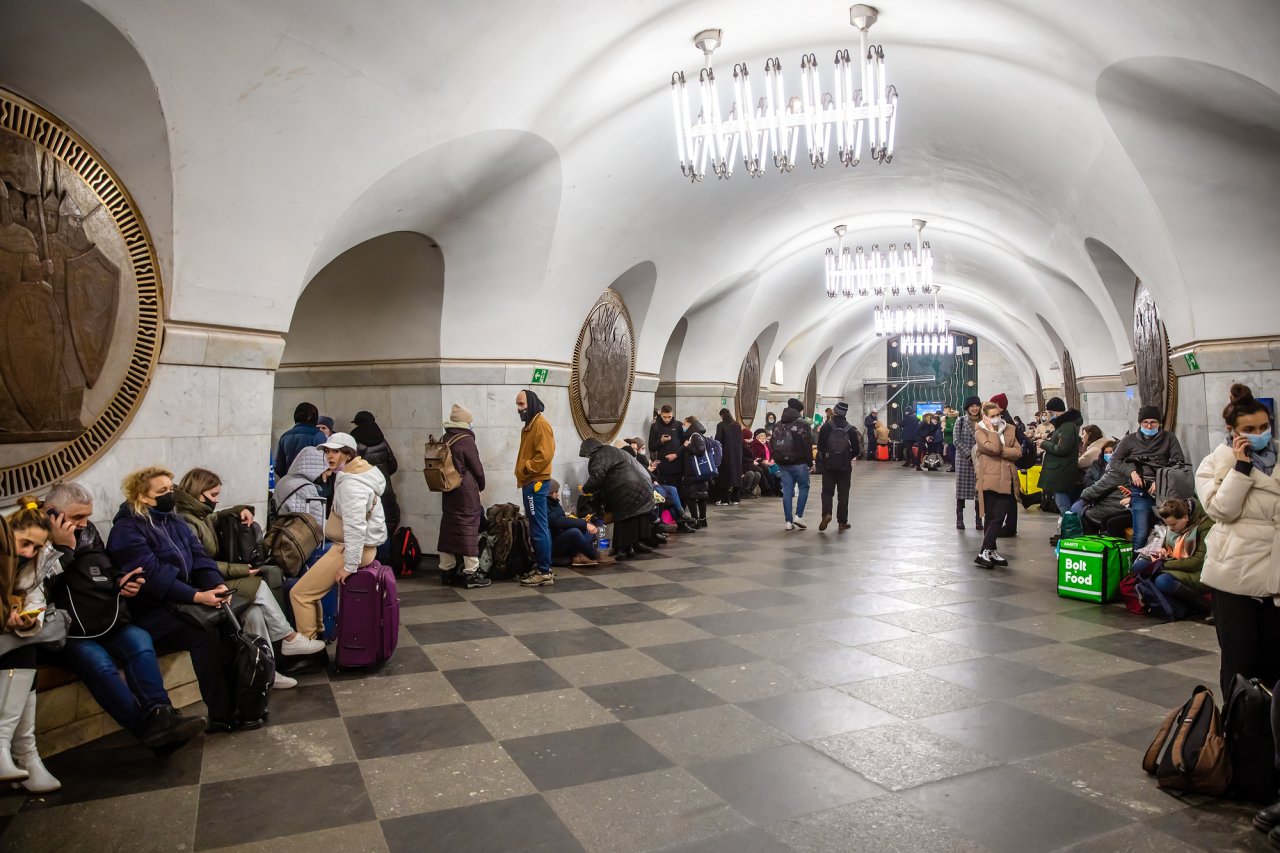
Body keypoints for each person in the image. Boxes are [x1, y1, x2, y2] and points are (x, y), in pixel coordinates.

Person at [42, 483, 208, 754]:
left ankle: (161, 714)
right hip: (65, 629)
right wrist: (64, 549)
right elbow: (38, 585)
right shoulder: (32, 536)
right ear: (51, 512)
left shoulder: (88, 531)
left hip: (101, 615)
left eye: (87, 516)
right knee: (99, 663)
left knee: (139, 640)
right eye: (77, 518)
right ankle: (146, 728)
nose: (84, 524)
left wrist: (120, 581)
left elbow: (102, 568)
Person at [106, 467, 244, 732]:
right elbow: (153, 575)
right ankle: (221, 714)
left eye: (171, 489)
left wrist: (216, 585)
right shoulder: (127, 529)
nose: (171, 494)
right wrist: (197, 595)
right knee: (203, 635)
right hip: (151, 610)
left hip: (182, 602)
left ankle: (242, 703)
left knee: (229, 625)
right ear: (143, 497)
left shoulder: (174, 520)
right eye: (162, 491)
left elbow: (200, 557)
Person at [173, 470, 313, 685]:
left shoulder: (198, 513)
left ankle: (267, 672)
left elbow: (217, 516)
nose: (217, 500)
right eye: (213, 494)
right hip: (202, 584)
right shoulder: (186, 521)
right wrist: (240, 570)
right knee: (257, 585)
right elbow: (198, 564)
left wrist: (242, 510)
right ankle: (288, 637)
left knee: (254, 612)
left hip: (213, 577)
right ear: (199, 492)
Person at [1195, 384, 1280, 698]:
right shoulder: (1215, 463)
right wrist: (1241, 468)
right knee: (1241, 663)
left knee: (1275, 663)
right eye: (1250, 429)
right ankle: (1238, 733)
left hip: (1275, 575)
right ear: (1232, 431)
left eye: (1264, 427)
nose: (1259, 434)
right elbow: (1220, 510)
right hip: (1234, 575)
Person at [288, 433, 388, 636]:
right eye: (327, 451)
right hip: (350, 548)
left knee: (300, 594)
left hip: (352, 551)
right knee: (307, 593)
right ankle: (316, 640)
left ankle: (309, 647)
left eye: (335, 451)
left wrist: (349, 566)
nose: (329, 456)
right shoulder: (356, 474)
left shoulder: (352, 484)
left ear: (348, 454)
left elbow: (355, 527)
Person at [0, 502, 65, 791]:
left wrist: (29, 622)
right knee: (23, 650)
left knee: (25, 647)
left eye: (36, 547)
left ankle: (20, 752)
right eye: (25, 543)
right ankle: (21, 752)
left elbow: (36, 602)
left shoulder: (34, 564)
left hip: (7, 641)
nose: (28, 552)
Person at [1111, 405, 1186, 551]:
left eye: (1153, 422)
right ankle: (1133, 568)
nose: (1149, 425)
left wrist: (1161, 480)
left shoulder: (1169, 437)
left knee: (1168, 529)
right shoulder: (1129, 440)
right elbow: (1115, 461)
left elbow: (1179, 462)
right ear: (1140, 423)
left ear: (1159, 423)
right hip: (1140, 490)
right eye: (1145, 422)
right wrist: (1131, 472)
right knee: (1140, 534)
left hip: (1164, 490)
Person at [1131, 499, 1213, 620]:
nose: (1171, 528)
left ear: (1185, 518)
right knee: (1138, 567)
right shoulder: (1176, 522)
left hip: (1198, 571)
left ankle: (1205, 605)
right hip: (1174, 562)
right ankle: (1174, 602)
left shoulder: (1205, 527)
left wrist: (1163, 565)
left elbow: (1196, 562)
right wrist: (1163, 551)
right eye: (1167, 525)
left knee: (1163, 581)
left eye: (1173, 525)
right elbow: (1167, 546)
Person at [437, 404, 489, 588]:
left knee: (449, 528)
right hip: (465, 492)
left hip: (449, 491)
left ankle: (446, 570)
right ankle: (471, 574)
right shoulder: (466, 440)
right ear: (465, 422)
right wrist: (480, 485)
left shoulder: (445, 437)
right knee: (468, 527)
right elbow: (477, 468)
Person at [580, 438, 656, 561]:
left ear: (589, 451)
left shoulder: (599, 455)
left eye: (587, 456)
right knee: (635, 515)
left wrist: (585, 489)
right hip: (643, 483)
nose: (588, 458)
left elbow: (597, 477)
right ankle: (633, 545)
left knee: (623, 516)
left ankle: (621, 549)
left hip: (626, 487)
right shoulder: (611, 450)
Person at [973, 402, 1021, 568]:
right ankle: (986, 551)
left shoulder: (1009, 429)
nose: (996, 418)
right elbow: (992, 448)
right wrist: (992, 432)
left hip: (1007, 477)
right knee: (993, 517)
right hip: (990, 478)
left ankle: (987, 551)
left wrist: (1000, 450)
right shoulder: (980, 431)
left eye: (997, 414)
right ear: (985, 417)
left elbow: (1017, 452)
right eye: (992, 416)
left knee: (999, 515)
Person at [515, 390, 556, 586]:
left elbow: (545, 455)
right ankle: (542, 565)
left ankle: (544, 571)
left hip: (536, 482)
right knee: (537, 525)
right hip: (530, 482)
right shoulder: (531, 424)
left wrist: (527, 467)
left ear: (530, 403)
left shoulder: (540, 425)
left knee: (539, 527)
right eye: (518, 405)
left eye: (522, 404)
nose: (519, 409)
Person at [1039, 397, 1083, 543]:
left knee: (1064, 506)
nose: (1048, 415)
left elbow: (1063, 449)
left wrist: (1043, 444)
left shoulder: (1067, 427)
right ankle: (1066, 531)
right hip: (1060, 470)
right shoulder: (1065, 426)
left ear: (1054, 411)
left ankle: (1070, 534)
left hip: (1061, 472)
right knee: (1062, 504)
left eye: (1049, 412)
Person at [351, 411, 401, 535]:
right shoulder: (382, 441)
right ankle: (387, 553)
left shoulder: (355, 443)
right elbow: (393, 465)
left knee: (368, 528)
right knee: (387, 525)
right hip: (385, 489)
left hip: (366, 492)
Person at [546, 479, 612, 566]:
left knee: (589, 528)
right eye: (556, 492)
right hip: (552, 543)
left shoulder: (554, 503)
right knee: (574, 532)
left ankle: (580, 555)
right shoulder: (544, 506)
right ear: (550, 493)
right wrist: (584, 524)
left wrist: (584, 523)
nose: (558, 494)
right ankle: (595, 556)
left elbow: (562, 519)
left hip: (560, 535)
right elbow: (558, 521)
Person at [1076, 440, 1133, 535]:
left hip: (1117, 505)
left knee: (1087, 515)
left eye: (1111, 453)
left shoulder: (1117, 471)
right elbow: (1089, 480)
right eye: (1106, 453)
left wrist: (1085, 493)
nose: (1109, 455)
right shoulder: (1128, 467)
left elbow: (1094, 491)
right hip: (1118, 503)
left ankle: (1092, 544)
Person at [817, 401, 858, 532]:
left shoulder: (826, 427)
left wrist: (828, 457)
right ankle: (842, 521)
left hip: (828, 466)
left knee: (827, 492)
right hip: (845, 468)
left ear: (834, 411)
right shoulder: (851, 429)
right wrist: (846, 457)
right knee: (843, 493)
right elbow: (857, 450)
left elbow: (820, 447)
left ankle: (826, 514)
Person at [774, 400, 814, 531]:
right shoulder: (803, 424)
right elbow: (807, 445)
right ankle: (799, 516)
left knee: (787, 491)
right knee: (803, 487)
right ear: (799, 411)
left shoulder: (778, 425)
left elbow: (772, 444)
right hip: (799, 463)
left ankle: (788, 521)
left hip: (783, 464)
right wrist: (810, 462)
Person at [274, 445, 327, 529]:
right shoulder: (305, 488)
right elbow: (318, 522)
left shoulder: (285, 479)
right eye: (327, 470)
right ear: (318, 468)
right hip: (295, 536)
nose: (329, 474)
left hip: (281, 531)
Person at [989, 393, 1019, 537]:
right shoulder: (1005, 420)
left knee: (1007, 498)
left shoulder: (1006, 423)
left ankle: (1009, 527)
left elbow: (1010, 448)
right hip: (1002, 465)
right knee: (1008, 497)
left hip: (1004, 465)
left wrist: (997, 450)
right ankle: (1009, 526)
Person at [953, 396, 983, 530]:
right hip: (964, 461)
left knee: (979, 490)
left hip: (981, 460)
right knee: (961, 491)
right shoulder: (960, 421)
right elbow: (956, 440)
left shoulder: (983, 422)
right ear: (967, 408)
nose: (975, 408)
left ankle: (979, 519)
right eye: (972, 406)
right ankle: (960, 518)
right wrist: (969, 455)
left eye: (977, 405)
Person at [274, 402, 325, 478]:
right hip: (311, 483)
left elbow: (278, 466)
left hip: (289, 482)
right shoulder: (318, 435)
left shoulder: (285, 436)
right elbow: (325, 463)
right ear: (312, 417)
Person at [682, 417, 712, 529]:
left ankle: (696, 520)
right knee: (701, 494)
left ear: (690, 424)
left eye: (684, 424)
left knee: (691, 496)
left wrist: (688, 446)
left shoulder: (694, 436)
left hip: (694, 471)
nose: (683, 426)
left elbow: (700, 450)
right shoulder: (699, 435)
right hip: (700, 471)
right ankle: (702, 520)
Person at [648, 406, 685, 495]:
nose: (667, 419)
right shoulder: (655, 426)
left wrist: (676, 454)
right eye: (665, 417)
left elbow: (685, 444)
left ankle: (681, 507)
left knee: (679, 487)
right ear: (661, 414)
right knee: (668, 489)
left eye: (669, 417)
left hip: (678, 462)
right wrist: (661, 441)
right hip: (664, 465)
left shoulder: (678, 425)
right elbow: (651, 447)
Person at [714, 408, 744, 506]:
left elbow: (718, 440)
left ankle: (725, 500)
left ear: (722, 416)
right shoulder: (737, 425)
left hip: (725, 455)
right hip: (737, 454)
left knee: (724, 477)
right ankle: (736, 499)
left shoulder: (721, 425)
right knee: (736, 476)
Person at [740, 427, 762, 498]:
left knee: (757, 474)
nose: (751, 439)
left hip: (748, 465)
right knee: (751, 473)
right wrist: (752, 461)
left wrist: (754, 459)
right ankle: (744, 492)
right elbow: (742, 457)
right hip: (743, 467)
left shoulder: (747, 445)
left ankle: (749, 491)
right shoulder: (741, 445)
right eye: (749, 438)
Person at [942, 406, 959, 471]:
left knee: (952, 454)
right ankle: (953, 466)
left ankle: (953, 467)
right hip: (950, 439)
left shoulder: (951, 418)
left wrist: (944, 429)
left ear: (948, 410)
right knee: (952, 453)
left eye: (945, 410)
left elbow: (952, 429)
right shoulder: (947, 418)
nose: (944, 411)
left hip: (952, 439)